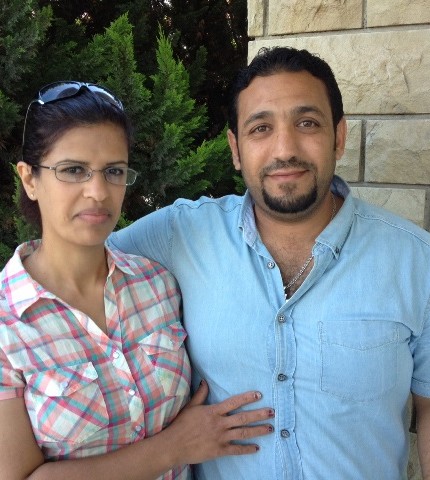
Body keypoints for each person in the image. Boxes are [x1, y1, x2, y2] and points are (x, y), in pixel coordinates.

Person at [108, 47, 430, 479]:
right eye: (261, 128)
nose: (285, 149)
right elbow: (70, 266)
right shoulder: (180, 234)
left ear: (339, 137)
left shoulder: (416, 260)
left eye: (307, 123)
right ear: (236, 149)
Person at [0, 82, 275, 480]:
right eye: (73, 170)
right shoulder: (8, 324)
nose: (98, 192)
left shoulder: (157, 284)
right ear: (29, 179)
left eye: (113, 171)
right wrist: (174, 447)